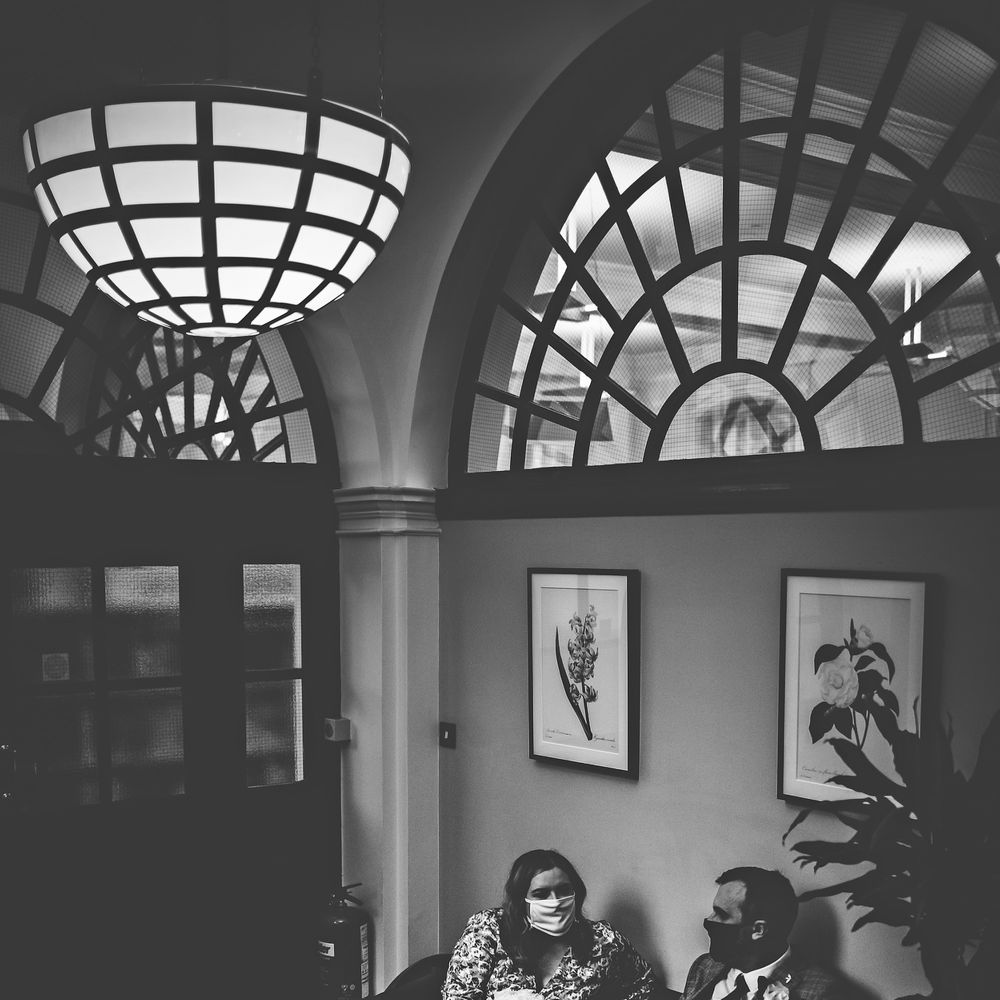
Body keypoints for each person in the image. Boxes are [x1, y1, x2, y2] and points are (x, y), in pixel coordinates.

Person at [442, 848, 656, 1000]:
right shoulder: (488, 928)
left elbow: (644, 983)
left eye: (563, 890)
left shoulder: (603, 941)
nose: (555, 902)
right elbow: (458, 995)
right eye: (541, 894)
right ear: (521, 901)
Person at [680, 867, 850, 1000]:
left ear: (758, 930)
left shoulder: (820, 992)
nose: (709, 921)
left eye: (722, 915)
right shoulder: (704, 966)